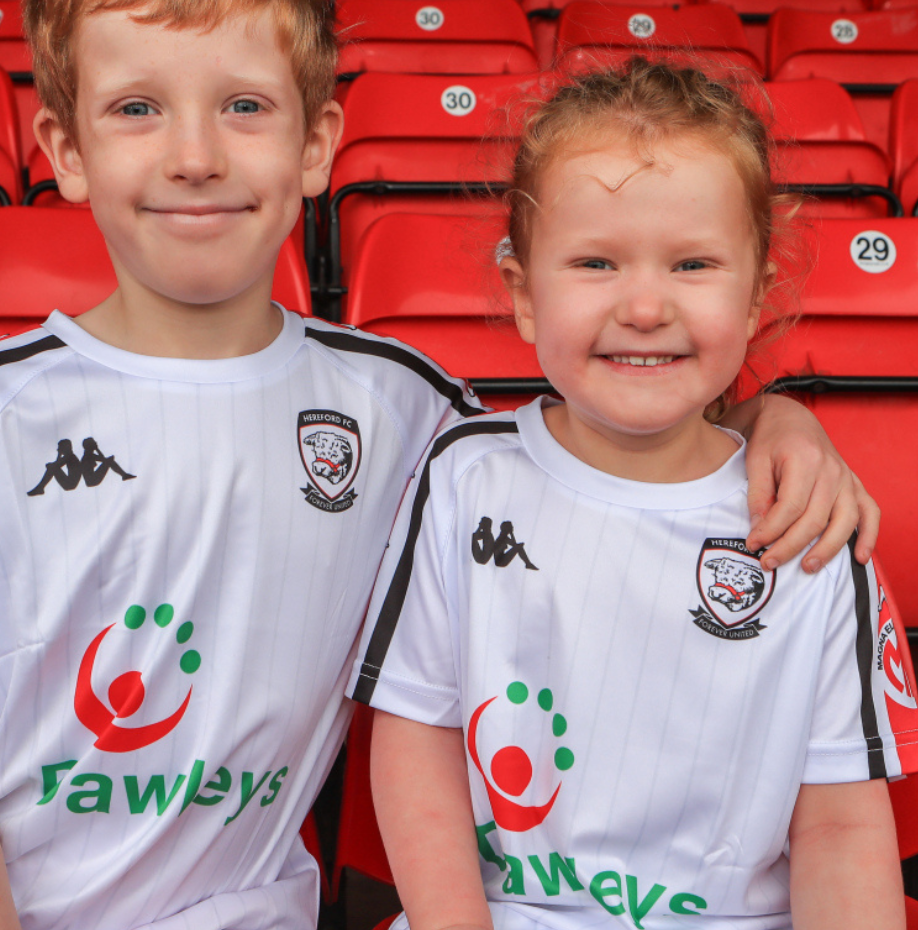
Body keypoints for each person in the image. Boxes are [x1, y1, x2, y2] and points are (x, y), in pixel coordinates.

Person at [0, 0, 882, 930]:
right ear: (64, 150)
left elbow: (616, 424)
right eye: (136, 108)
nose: (194, 154)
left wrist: (774, 420)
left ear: (317, 141)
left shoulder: (402, 411)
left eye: (245, 106)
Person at [350, 58, 918, 930]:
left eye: (693, 263)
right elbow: (416, 739)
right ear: (523, 293)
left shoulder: (809, 521)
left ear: (759, 293)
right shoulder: (465, 474)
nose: (645, 306)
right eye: (595, 262)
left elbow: (841, 826)